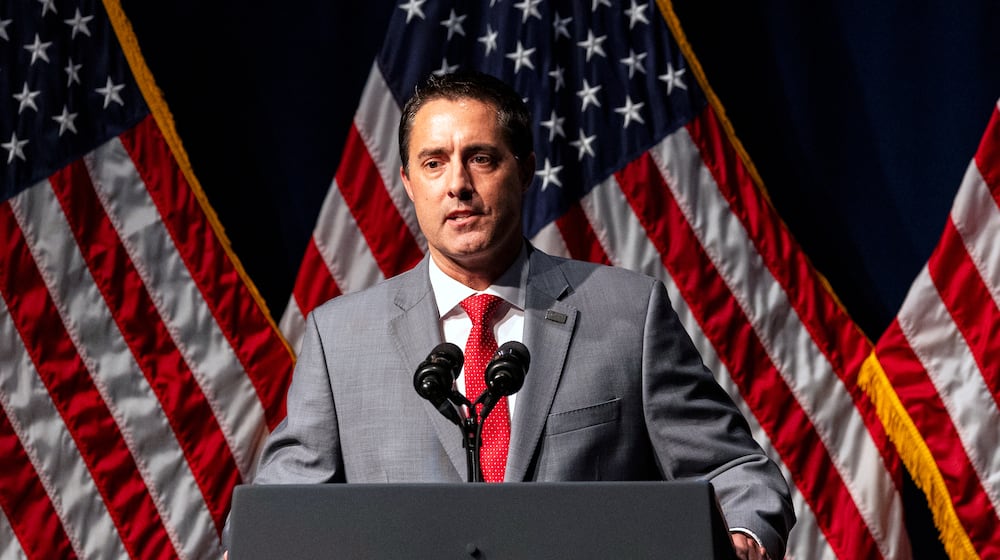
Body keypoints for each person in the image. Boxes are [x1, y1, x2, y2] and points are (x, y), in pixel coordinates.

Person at [238, 71, 794, 559]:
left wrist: (744, 536)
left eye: (481, 158)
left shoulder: (628, 313)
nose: (457, 184)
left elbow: (733, 471)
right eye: (433, 163)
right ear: (408, 183)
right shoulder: (339, 338)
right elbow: (279, 513)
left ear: (525, 169)